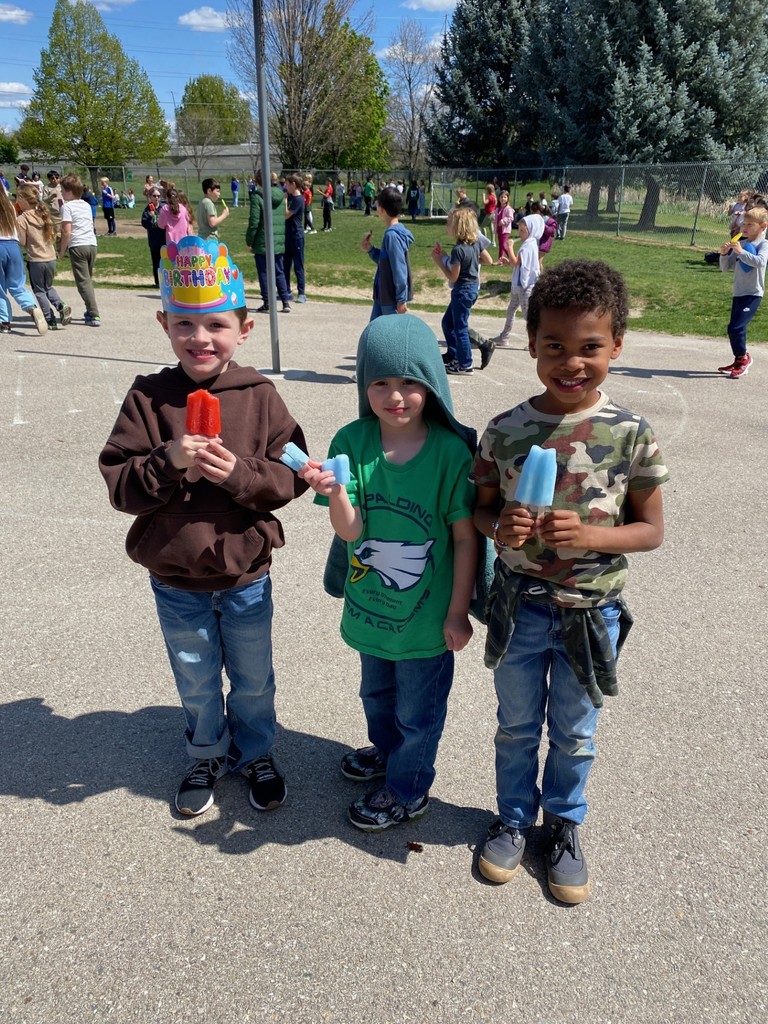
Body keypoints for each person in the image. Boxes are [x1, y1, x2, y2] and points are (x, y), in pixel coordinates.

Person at [471, 259, 668, 904]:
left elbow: (650, 530)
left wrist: (590, 536)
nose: (571, 362)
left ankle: (564, 825)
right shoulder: (504, 432)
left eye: (590, 348)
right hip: (520, 605)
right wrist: (503, 525)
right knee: (517, 724)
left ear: (617, 346)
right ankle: (511, 818)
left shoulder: (630, 434)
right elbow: (477, 509)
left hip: (592, 610)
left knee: (577, 730)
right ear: (531, 346)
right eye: (554, 346)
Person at [99, 235, 309, 818]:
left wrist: (240, 475)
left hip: (245, 575)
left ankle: (257, 752)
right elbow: (119, 483)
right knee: (194, 678)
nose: (200, 339)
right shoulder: (148, 398)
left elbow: (293, 472)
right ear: (165, 324)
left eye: (216, 325)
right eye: (186, 325)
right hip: (174, 575)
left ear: (243, 329)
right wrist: (168, 460)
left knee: (253, 678)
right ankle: (206, 752)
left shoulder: (260, 397)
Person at [299, 313, 478, 831]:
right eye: (380, 382)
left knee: (417, 715)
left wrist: (459, 611)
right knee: (376, 697)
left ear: (432, 383)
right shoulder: (351, 442)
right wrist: (335, 494)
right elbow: (351, 533)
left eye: (409, 383)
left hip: (426, 623)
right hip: (371, 612)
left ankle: (408, 787)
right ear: (363, 385)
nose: (394, 395)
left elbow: (466, 538)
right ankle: (387, 753)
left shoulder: (450, 453)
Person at [431, 204, 493, 375]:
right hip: (471, 288)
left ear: (458, 227)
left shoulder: (458, 250)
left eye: (450, 223)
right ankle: (457, 356)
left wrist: (438, 261)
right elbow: (484, 260)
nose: (447, 227)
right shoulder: (474, 245)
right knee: (448, 323)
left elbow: (453, 277)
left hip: (462, 290)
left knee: (460, 328)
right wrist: (445, 255)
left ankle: (465, 364)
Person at [718, 205, 768, 378]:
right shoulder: (742, 244)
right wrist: (724, 254)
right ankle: (740, 359)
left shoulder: (764, 244)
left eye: (750, 225)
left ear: (763, 226)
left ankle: (744, 359)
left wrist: (741, 252)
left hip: (753, 294)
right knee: (735, 328)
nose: (744, 228)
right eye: (743, 224)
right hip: (738, 293)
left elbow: (760, 262)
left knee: (736, 327)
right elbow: (726, 268)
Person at [15, 182, 71, 330]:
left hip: (36, 259)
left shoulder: (23, 218)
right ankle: (60, 305)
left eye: (17, 198)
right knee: (48, 287)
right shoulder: (43, 213)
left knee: (39, 290)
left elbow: (21, 241)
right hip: (50, 257)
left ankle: (49, 318)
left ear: (22, 199)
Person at [360, 185, 414, 321]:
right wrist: (371, 250)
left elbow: (399, 269)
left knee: (387, 339)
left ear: (382, 209)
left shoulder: (392, 236)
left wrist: (401, 299)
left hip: (390, 300)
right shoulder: (391, 234)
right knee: (374, 336)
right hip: (381, 297)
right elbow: (386, 261)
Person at [0, 188, 48, 335]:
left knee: (0, 288)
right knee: (17, 285)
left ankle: (4, 321)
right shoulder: (9, 206)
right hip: (13, 247)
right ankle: (32, 307)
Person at [491, 214, 543, 349]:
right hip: (519, 286)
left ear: (531, 230)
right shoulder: (529, 244)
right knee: (511, 311)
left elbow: (515, 262)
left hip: (525, 287)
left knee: (527, 315)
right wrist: (508, 262)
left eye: (522, 230)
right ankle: (504, 336)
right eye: (519, 230)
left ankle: (535, 341)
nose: (519, 233)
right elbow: (517, 264)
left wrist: (510, 247)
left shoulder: (528, 246)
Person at [246, 169, 292, 314]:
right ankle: (285, 301)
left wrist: (249, 240)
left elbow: (254, 221)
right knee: (279, 271)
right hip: (277, 239)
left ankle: (267, 302)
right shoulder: (280, 195)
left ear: (257, 180)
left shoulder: (257, 197)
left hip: (262, 240)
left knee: (264, 272)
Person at [59, 174, 100, 326]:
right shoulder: (86, 205)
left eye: (62, 189)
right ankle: (90, 311)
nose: (61, 192)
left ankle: (94, 314)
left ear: (69, 191)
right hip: (91, 245)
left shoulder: (67, 207)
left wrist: (62, 251)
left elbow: (66, 232)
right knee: (87, 280)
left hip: (78, 246)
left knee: (83, 283)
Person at [283, 173, 307, 304]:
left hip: (297, 236)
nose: (285, 186)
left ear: (294, 185)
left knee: (298, 265)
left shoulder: (298, 199)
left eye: (287, 184)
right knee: (285, 265)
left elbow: (286, 215)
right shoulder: (291, 197)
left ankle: (302, 293)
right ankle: (287, 292)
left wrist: (285, 201)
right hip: (287, 235)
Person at [141, 186, 167, 288]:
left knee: (165, 261)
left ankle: (167, 281)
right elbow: (144, 223)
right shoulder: (148, 209)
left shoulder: (164, 208)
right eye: (154, 196)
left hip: (164, 238)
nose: (157, 198)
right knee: (156, 261)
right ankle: (158, 282)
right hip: (154, 239)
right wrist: (151, 218)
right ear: (150, 197)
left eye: (158, 196)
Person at [495, 191, 513, 263]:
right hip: (499, 229)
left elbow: (510, 218)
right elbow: (496, 218)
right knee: (500, 245)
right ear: (499, 198)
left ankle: (512, 258)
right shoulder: (498, 209)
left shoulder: (508, 208)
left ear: (507, 198)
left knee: (503, 244)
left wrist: (503, 221)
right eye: (501, 197)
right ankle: (500, 260)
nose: (503, 199)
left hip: (505, 229)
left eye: (505, 197)